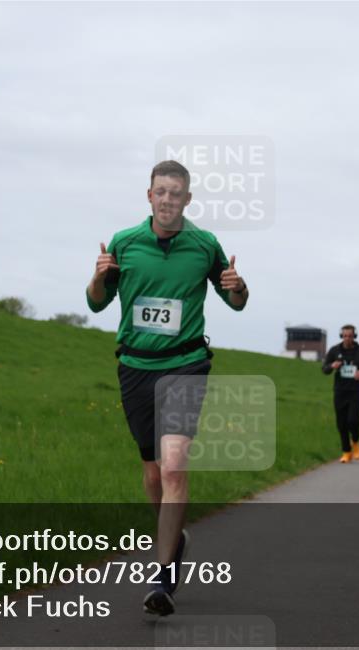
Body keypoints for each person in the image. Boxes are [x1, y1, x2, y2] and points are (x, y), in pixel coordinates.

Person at [86, 160, 249, 616]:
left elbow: (235, 302)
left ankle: (160, 578)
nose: (167, 200)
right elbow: (97, 304)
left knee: (174, 465)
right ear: (149, 195)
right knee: (153, 475)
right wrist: (99, 277)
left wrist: (238, 286)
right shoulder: (124, 242)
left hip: (186, 364)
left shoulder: (204, 245)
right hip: (135, 366)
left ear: (187, 200)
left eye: (176, 193)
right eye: (161, 192)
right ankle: (173, 540)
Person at [322, 325, 359, 463]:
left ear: (354, 336)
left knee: (353, 420)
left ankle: (355, 443)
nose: (347, 338)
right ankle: (346, 451)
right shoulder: (334, 350)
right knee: (341, 423)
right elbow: (324, 369)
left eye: (350, 336)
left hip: (356, 391)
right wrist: (332, 366)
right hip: (340, 391)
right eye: (345, 336)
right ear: (341, 336)